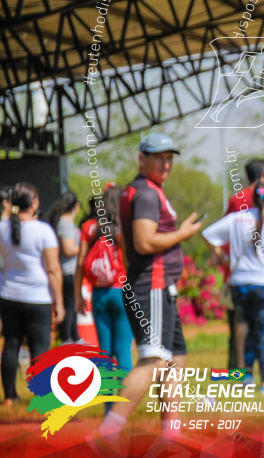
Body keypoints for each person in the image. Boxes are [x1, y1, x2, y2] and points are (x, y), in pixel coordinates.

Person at [95, 133, 203, 444]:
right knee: (154, 360)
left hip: (159, 287)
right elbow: (143, 242)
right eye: (159, 156)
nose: (166, 163)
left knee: (175, 357)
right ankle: (110, 430)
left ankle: (171, 432)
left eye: (169, 157)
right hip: (151, 286)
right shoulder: (145, 193)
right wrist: (183, 233)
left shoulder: (146, 190)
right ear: (142, 158)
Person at [204, 183, 264, 395]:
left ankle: (247, 377)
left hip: (240, 283)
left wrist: (223, 257)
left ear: (252, 199)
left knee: (244, 328)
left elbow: (208, 234)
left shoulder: (237, 219)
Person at [0, 182, 63, 405]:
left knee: (11, 344)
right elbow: (54, 269)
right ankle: (43, 394)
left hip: (8, 294)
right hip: (37, 298)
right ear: (34, 202)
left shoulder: (3, 228)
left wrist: (7, 212)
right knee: (39, 347)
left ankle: (9, 396)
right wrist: (59, 301)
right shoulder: (43, 230)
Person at [223, 158, 264, 371]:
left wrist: (225, 261)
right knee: (263, 325)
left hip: (239, 274)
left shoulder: (235, 199)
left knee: (240, 325)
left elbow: (225, 236)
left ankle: (239, 368)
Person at [75, 185, 133, 385]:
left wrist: (77, 296)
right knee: (124, 350)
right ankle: (124, 406)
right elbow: (128, 263)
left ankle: (108, 407)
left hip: (98, 294)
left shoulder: (90, 227)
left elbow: (80, 263)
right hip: (122, 291)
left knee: (105, 352)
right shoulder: (124, 227)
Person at [46, 191, 81, 344]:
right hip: (68, 271)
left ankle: (74, 337)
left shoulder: (61, 222)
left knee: (72, 306)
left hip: (68, 271)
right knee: (70, 306)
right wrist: (87, 248)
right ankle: (67, 339)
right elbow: (68, 249)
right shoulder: (65, 224)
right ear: (76, 206)